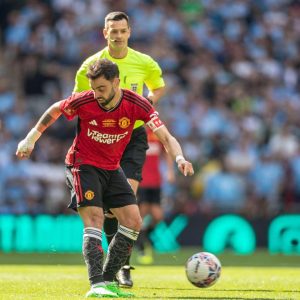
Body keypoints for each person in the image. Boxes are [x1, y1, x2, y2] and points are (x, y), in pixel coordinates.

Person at [16, 59, 194, 298]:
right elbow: (57, 108)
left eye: (101, 88)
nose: (97, 94)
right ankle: (96, 282)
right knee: (95, 218)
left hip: (111, 169)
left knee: (133, 221)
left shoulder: (136, 103)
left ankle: (109, 280)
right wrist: (31, 138)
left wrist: (180, 158)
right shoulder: (86, 100)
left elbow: (165, 136)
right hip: (82, 165)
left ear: (116, 82)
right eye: (93, 88)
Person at [73, 11, 166, 288]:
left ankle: (122, 266)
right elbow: (77, 104)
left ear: (129, 32)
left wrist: (148, 101)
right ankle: (115, 266)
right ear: (105, 33)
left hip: (135, 135)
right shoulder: (90, 66)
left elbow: (158, 87)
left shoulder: (144, 62)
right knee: (110, 210)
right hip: (104, 139)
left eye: (122, 31)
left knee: (126, 199)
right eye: (112, 31)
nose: (117, 35)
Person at [135, 127, 175, 264]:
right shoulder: (137, 131)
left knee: (158, 216)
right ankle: (140, 245)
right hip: (141, 179)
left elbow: (167, 150)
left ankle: (143, 237)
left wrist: (170, 170)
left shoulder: (157, 132)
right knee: (143, 211)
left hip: (156, 180)